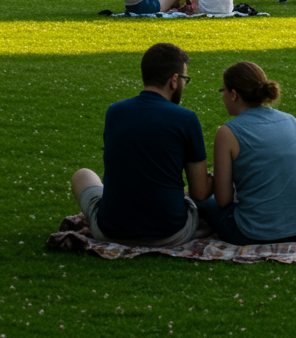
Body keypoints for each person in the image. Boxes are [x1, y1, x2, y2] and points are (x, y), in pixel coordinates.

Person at [70, 43, 211, 246]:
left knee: (82, 175)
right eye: (184, 80)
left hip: (110, 230)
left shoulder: (115, 112)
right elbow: (199, 191)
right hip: (169, 233)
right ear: (174, 80)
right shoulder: (186, 119)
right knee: (196, 202)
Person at [196, 62, 296, 245]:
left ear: (233, 94)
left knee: (202, 199)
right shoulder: (291, 120)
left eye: (222, 90)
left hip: (256, 233)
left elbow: (223, 200)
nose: (222, 96)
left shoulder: (228, 132)